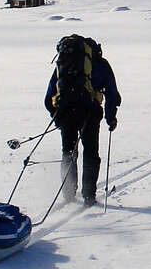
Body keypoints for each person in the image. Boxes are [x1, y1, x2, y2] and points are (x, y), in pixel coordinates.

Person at [44, 35, 121, 206]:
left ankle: (68, 193)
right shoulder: (101, 64)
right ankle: (88, 195)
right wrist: (111, 118)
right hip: (90, 112)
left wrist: (56, 116)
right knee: (91, 152)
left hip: (66, 112)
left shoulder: (63, 65)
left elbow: (49, 96)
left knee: (68, 152)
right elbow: (111, 93)